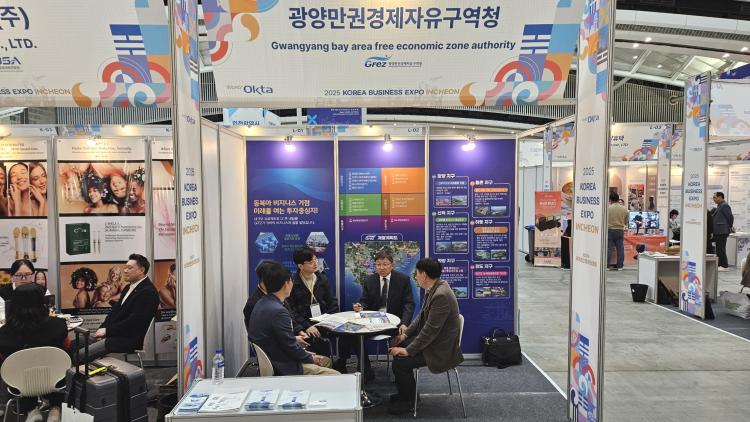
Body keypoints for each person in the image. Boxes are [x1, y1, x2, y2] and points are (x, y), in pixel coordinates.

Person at [387, 258, 464, 415]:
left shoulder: (441, 295)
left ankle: (410, 402)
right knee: (399, 346)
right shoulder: (434, 288)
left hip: (440, 349)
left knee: (400, 364)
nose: (416, 277)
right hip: (434, 342)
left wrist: (408, 351)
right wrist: (405, 335)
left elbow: (429, 331)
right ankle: (407, 394)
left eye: (417, 273)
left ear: (424, 275)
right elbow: (420, 317)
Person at [247, 262, 339, 376]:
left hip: (274, 357)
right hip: (284, 365)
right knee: (335, 375)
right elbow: (290, 347)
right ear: (286, 284)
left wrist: (295, 339)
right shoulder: (279, 312)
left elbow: (278, 338)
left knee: (326, 361)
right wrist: (311, 358)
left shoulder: (262, 302)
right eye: (291, 281)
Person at [336, 249, 415, 376]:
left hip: (394, 324)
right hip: (372, 323)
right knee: (352, 334)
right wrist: (360, 306)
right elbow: (364, 300)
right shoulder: (369, 280)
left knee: (404, 339)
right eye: (378, 264)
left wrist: (404, 323)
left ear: (392, 265)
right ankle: (365, 369)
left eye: (385, 264)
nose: (381, 268)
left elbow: (408, 303)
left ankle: (401, 374)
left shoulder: (402, 279)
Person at [0, 284, 68, 422]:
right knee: (58, 361)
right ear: (42, 302)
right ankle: (55, 408)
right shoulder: (59, 325)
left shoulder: (4, 333)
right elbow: (66, 347)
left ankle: (31, 410)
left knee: (21, 368)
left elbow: (4, 359)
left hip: (19, 385)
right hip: (56, 380)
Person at [76, 254, 159, 363]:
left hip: (128, 339)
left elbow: (134, 322)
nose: (125, 271)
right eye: (125, 267)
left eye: (129, 268)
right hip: (115, 334)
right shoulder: (128, 287)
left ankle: (77, 373)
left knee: (80, 355)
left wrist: (107, 332)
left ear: (141, 270)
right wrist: (102, 329)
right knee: (75, 343)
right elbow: (114, 312)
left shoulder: (148, 292)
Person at [243, 260, 310, 348]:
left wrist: (299, 331)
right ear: (265, 279)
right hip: (275, 347)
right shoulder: (255, 303)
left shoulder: (278, 293)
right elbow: (265, 336)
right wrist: (293, 339)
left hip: (288, 339)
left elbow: (290, 316)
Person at [287, 247, 339, 353]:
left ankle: (337, 361)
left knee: (345, 335)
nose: (315, 263)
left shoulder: (322, 279)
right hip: (304, 325)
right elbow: (291, 310)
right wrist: (307, 326)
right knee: (311, 340)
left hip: (323, 323)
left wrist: (326, 322)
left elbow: (332, 302)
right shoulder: (293, 283)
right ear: (300, 266)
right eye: (310, 262)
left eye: (315, 259)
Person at [712, 192, 734, 271]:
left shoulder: (725, 205)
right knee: (718, 249)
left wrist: (730, 226)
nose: (713, 199)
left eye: (715, 197)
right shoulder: (719, 206)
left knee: (721, 248)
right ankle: (720, 264)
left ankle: (724, 265)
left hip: (722, 231)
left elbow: (730, 217)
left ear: (720, 197)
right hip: (718, 231)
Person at [607, 192, 629, 270]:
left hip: (609, 230)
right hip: (620, 230)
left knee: (608, 249)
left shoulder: (608, 208)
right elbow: (626, 221)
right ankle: (620, 266)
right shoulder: (624, 209)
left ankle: (607, 266)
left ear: (610, 200)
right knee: (620, 249)